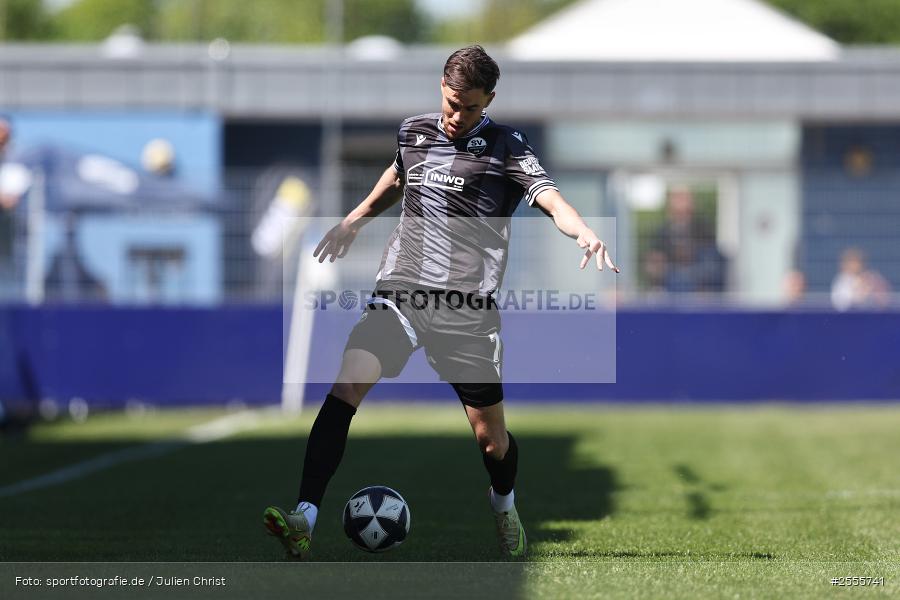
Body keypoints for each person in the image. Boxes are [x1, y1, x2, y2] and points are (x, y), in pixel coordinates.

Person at [263, 45, 619, 560]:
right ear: (441, 89)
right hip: (401, 290)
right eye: (452, 103)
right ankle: (305, 518)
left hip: (466, 310)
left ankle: (503, 505)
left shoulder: (507, 146)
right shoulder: (414, 131)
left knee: (490, 441)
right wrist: (354, 220)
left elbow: (548, 197)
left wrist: (583, 230)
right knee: (346, 383)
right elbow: (398, 174)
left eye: (470, 107)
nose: (457, 116)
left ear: (488, 100)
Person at [648, 185, 724, 293]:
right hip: (671, 277)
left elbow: (712, 259)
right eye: (678, 212)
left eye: (685, 211)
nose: (682, 215)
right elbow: (654, 259)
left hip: (698, 276)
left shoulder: (704, 229)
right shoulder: (662, 232)